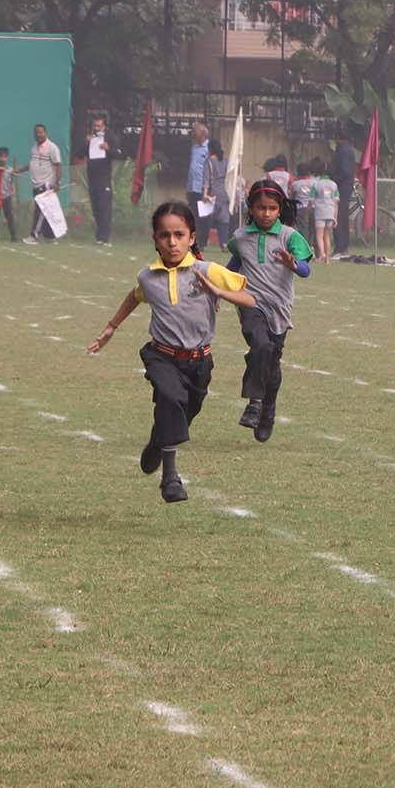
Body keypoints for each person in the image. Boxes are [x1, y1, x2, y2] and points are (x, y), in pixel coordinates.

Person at [86, 200, 256, 503]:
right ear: (155, 238)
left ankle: (157, 442)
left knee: (184, 412)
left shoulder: (207, 270)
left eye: (179, 234)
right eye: (164, 235)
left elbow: (249, 299)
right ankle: (170, 478)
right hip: (162, 356)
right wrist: (112, 326)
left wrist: (218, 292)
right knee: (170, 397)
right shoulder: (148, 276)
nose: (172, 242)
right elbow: (135, 296)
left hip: (199, 362)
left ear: (192, 237)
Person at [226, 176, 313, 443]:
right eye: (261, 208)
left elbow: (306, 270)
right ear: (251, 208)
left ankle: (268, 411)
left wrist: (293, 264)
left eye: (272, 208)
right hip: (251, 303)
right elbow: (233, 266)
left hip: (279, 307)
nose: (266, 213)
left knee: (271, 361)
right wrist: (217, 288)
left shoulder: (290, 236)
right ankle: (254, 403)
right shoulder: (241, 237)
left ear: (279, 209)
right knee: (260, 345)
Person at [24, 123, 65, 243]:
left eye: (41, 132)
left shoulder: (52, 147)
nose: (38, 135)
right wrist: (19, 170)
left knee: (41, 210)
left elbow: (58, 166)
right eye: (36, 132)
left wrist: (57, 182)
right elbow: (31, 164)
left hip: (46, 185)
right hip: (35, 185)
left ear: (45, 133)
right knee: (46, 212)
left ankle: (34, 235)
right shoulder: (34, 147)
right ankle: (50, 236)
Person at [83, 113, 118, 245]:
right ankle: (99, 236)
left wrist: (108, 149)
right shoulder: (90, 137)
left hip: (104, 178)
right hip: (92, 177)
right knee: (96, 207)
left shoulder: (111, 137)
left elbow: (118, 153)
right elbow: (79, 153)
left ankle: (105, 237)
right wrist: (86, 142)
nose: (96, 128)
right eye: (95, 126)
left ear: (104, 126)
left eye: (99, 126)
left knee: (104, 207)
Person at [330, 129, 358, 255]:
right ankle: (343, 246)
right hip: (346, 187)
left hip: (341, 187)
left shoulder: (343, 151)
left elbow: (344, 171)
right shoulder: (349, 150)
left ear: (339, 138)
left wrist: (333, 179)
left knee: (339, 217)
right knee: (343, 216)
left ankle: (340, 247)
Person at [0, 146, 21, 242]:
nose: (2, 159)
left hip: (6, 196)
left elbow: (12, 182)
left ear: (7, 157)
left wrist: (12, 191)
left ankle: (14, 237)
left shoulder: (10, 170)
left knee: (10, 217)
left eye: (4, 157)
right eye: (1, 156)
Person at [311, 160, 340, 262]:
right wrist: (335, 217)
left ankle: (322, 253)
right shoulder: (334, 185)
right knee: (327, 235)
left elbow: (311, 200)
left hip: (320, 212)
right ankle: (327, 258)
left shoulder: (316, 184)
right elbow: (336, 202)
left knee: (319, 235)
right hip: (330, 212)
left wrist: (311, 208)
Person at [186, 121, 212, 213]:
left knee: (203, 214)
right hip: (192, 187)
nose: (194, 133)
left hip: (202, 188)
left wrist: (208, 189)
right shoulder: (194, 148)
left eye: (195, 131)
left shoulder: (209, 148)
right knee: (192, 213)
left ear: (202, 134)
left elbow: (211, 169)